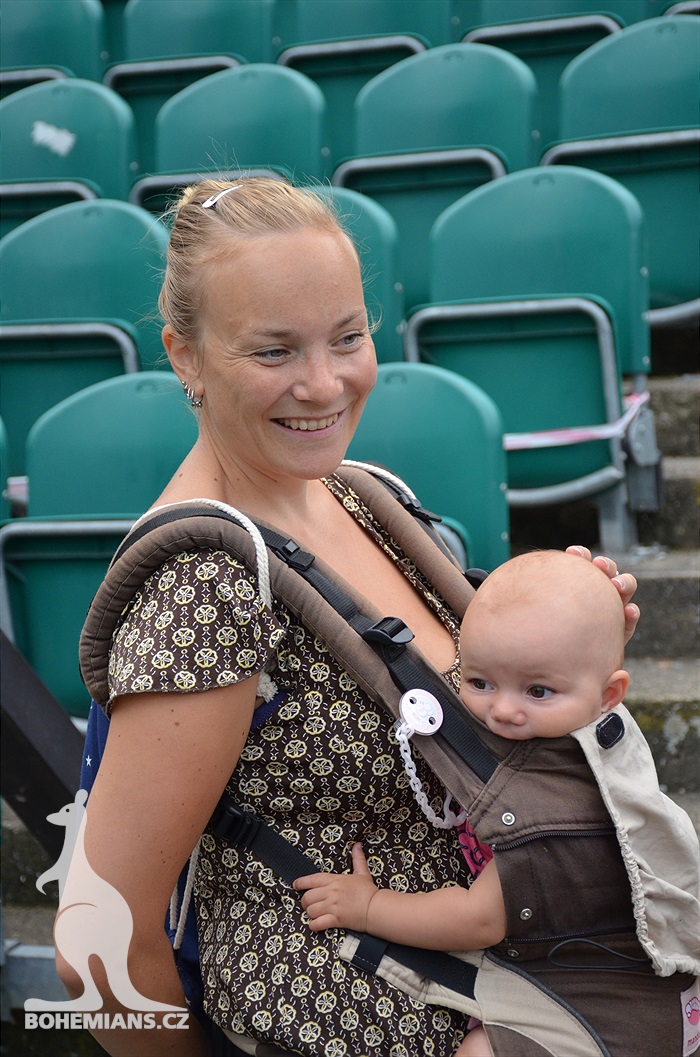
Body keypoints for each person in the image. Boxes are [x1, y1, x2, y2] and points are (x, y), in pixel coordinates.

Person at [62, 176, 640, 1057]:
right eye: (274, 352)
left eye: (348, 337)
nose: (323, 383)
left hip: (520, 998)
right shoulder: (206, 584)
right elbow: (93, 951)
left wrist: (568, 649)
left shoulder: (366, 496)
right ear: (185, 356)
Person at [294, 549, 698, 1057]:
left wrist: (369, 907)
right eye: (480, 682)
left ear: (609, 694)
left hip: (603, 1017)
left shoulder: (551, 810)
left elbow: (478, 917)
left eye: (537, 690)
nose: (503, 710)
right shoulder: (575, 733)